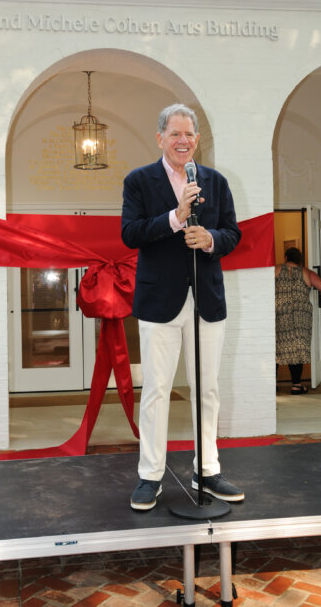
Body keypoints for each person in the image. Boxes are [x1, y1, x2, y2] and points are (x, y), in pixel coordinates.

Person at [121, 103, 244, 511]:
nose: (183, 141)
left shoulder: (215, 181)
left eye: (189, 134)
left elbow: (232, 232)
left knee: (206, 389)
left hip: (206, 299)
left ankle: (207, 469)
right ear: (160, 138)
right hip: (159, 303)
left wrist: (209, 239)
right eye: (175, 134)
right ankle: (150, 476)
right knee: (156, 390)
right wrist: (176, 217)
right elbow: (130, 234)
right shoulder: (139, 181)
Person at [275, 247, 321, 394]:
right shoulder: (307, 272)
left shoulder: (276, 269)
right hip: (301, 315)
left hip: (280, 312)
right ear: (299, 260)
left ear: (286, 257)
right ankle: (296, 386)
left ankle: (271, 385)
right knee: (297, 347)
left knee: (276, 347)